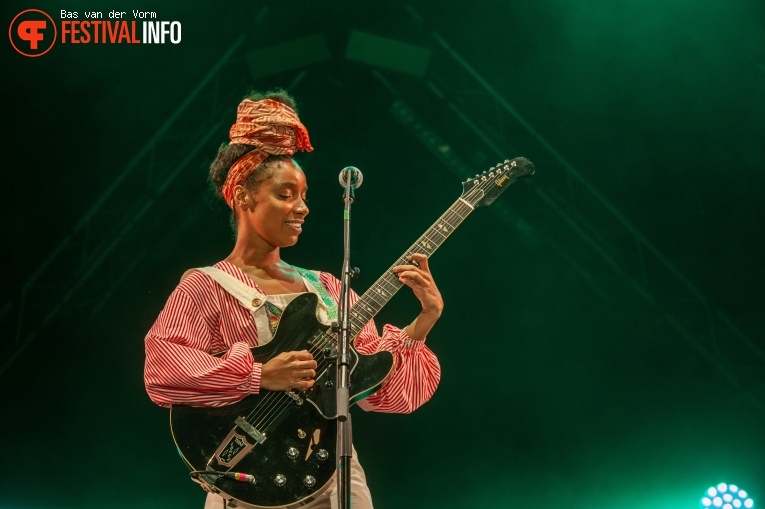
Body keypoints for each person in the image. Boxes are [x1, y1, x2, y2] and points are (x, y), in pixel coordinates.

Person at [143, 88, 443, 509]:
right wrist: (259, 375)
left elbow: (380, 392)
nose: (302, 207)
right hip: (245, 476)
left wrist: (423, 320)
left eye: (303, 195)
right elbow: (163, 368)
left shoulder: (328, 287)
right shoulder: (206, 285)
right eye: (285, 194)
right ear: (244, 195)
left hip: (333, 475)